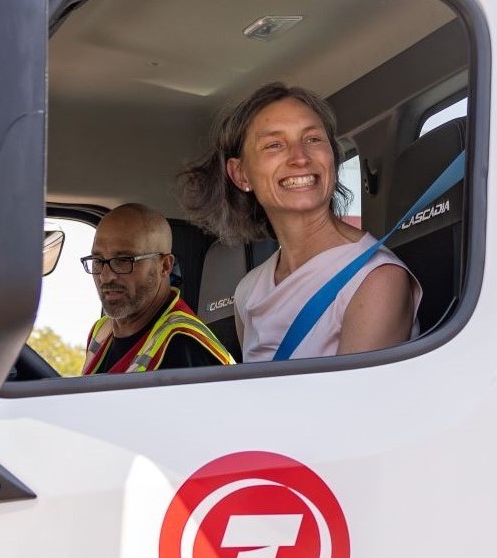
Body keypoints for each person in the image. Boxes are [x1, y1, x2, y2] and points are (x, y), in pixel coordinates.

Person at [179, 83, 421, 362]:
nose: (300, 158)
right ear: (241, 174)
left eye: (313, 139)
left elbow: (354, 405)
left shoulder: (375, 278)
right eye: (274, 145)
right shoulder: (249, 290)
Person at [79, 203, 234, 374]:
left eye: (124, 260)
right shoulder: (102, 330)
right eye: (98, 261)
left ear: (165, 266)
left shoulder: (184, 346)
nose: (106, 276)